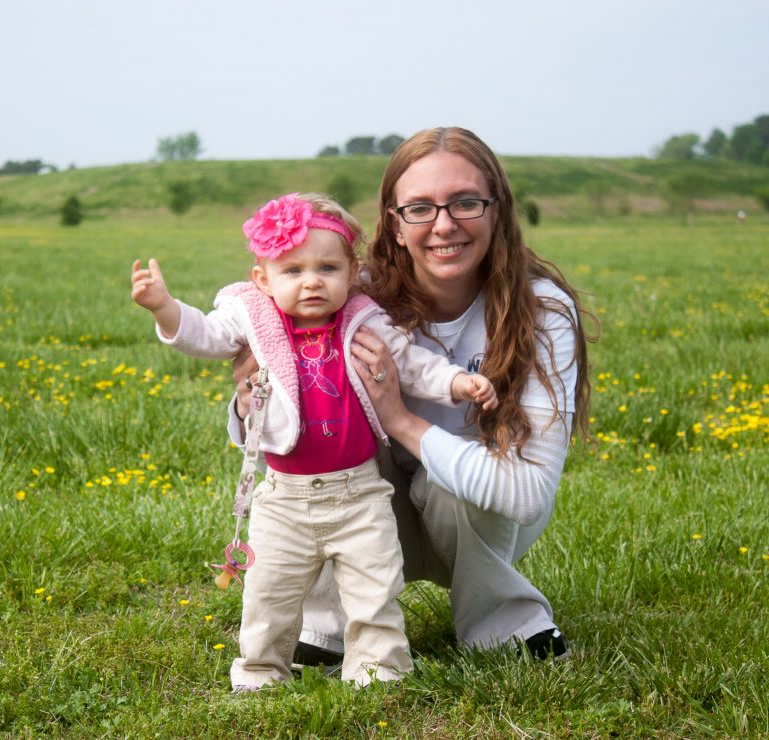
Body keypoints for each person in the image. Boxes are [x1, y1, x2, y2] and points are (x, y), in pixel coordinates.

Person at [232, 128, 593, 665]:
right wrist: (249, 392)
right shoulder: (352, 295)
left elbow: (526, 494)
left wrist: (400, 419)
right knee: (332, 453)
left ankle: (501, 617)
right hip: (370, 503)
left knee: (449, 480)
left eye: (466, 202)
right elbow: (278, 395)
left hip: (480, 518)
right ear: (394, 225)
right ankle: (328, 621)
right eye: (419, 208)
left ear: (498, 210)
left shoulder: (542, 312)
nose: (443, 225)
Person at [131, 192, 497, 690]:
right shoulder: (256, 319)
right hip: (285, 498)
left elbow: (411, 365)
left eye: (327, 268)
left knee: (375, 588)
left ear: (351, 272)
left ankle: (379, 670)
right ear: (263, 279)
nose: (311, 282)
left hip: (360, 492)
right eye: (293, 270)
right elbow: (207, 336)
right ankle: (260, 671)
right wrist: (165, 309)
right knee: (269, 593)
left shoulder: (363, 321)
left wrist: (456, 382)